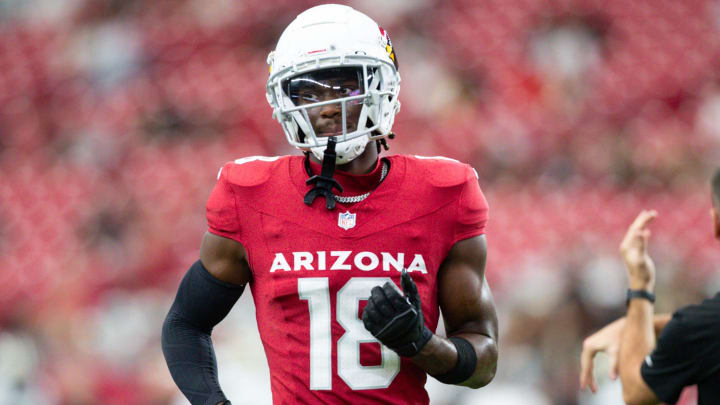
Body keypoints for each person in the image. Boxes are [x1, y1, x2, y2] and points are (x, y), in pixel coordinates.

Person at [161, 4, 498, 404]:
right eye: (307, 92)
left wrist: (422, 345)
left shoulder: (442, 193)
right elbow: (185, 324)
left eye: (344, 87)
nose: (324, 107)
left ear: (381, 87)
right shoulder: (250, 194)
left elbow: (484, 364)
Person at [580, 170, 720, 405]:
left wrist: (640, 287)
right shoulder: (702, 326)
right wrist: (646, 325)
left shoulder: (703, 326)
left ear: (716, 222)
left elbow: (636, 393)